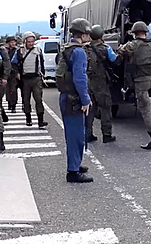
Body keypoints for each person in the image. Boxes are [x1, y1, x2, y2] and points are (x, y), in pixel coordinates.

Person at [117, 20, 151, 150]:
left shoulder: (132, 45)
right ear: (146, 32)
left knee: (146, 110)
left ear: (134, 33)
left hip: (141, 81)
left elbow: (120, 53)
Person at [56, 18, 94, 183]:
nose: (89, 37)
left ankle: (76, 164)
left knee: (74, 134)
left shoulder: (68, 49)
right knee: (76, 135)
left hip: (66, 96)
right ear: (83, 33)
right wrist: (85, 99)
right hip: (74, 98)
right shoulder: (79, 52)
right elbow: (80, 78)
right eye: (88, 33)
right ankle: (73, 171)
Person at [85, 25, 121, 143]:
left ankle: (88, 134)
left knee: (90, 109)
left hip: (88, 81)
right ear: (101, 35)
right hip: (101, 82)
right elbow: (115, 61)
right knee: (105, 108)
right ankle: (107, 134)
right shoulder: (106, 48)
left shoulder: (85, 49)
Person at [12, 32, 48, 128]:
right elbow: (14, 64)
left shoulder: (38, 50)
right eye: (29, 42)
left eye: (32, 41)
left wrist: (43, 75)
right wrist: (17, 73)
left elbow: (42, 63)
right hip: (25, 79)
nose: (31, 44)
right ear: (25, 41)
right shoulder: (20, 51)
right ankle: (28, 118)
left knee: (38, 99)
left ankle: (41, 121)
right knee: (26, 100)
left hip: (36, 78)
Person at [5, 36, 20, 113]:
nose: (13, 43)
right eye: (11, 42)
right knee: (7, 89)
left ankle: (13, 105)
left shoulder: (17, 51)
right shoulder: (5, 51)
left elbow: (20, 62)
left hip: (14, 71)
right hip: (6, 72)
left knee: (13, 89)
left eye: (14, 42)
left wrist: (18, 72)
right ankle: (9, 103)